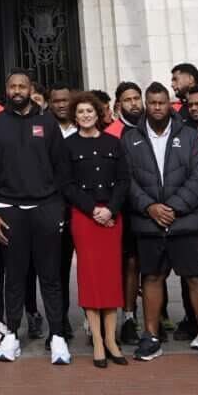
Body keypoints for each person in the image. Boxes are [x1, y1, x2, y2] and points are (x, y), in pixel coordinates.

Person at [123, 80, 198, 364]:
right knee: (151, 277)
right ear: (145, 105)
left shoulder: (189, 136)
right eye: (151, 103)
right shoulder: (130, 139)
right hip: (149, 222)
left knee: (196, 278)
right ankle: (151, 338)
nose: (156, 108)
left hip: (185, 221)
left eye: (161, 102)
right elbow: (126, 180)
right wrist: (150, 207)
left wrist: (174, 207)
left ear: (170, 104)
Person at [0, 70, 73, 364]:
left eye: (22, 86)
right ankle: (12, 334)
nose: (17, 90)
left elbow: (62, 168)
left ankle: (57, 335)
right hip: (9, 210)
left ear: (31, 88)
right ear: (6, 89)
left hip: (46, 208)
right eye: (12, 86)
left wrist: (59, 208)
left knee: (50, 276)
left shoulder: (47, 122)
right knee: (15, 276)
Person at [60, 94, 126, 366]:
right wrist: (93, 210)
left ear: (98, 114)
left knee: (111, 276)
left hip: (112, 215)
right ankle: (97, 340)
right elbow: (67, 184)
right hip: (85, 216)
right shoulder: (67, 145)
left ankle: (111, 338)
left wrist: (110, 209)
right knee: (90, 276)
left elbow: (124, 180)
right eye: (81, 111)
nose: (86, 115)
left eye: (90, 111)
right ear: (75, 117)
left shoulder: (113, 143)